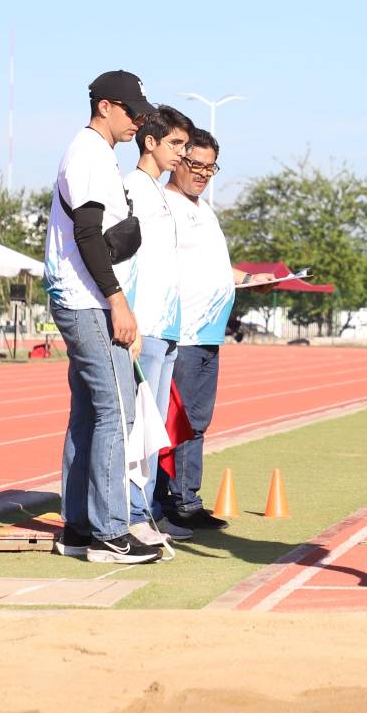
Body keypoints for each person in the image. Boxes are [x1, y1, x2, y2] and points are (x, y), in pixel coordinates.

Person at [45, 70, 163, 566]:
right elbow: (90, 237)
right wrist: (117, 300)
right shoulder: (90, 153)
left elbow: (96, 235)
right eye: (132, 111)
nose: (139, 121)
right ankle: (110, 535)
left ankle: (78, 528)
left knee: (90, 415)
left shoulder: (94, 155)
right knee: (116, 411)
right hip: (88, 300)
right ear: (106, 107)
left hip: (80, 295)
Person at [157, 128, 273, 528]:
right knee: (178, 419)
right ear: (179, 161)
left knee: (198, 420)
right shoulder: (163, 205)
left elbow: (216, 268)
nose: (204, 174)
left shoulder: (205, 210)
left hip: (208, 333)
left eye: (212, 167)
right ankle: (170, 503)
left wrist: (251, 279)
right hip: (181, 332)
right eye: (196, 165)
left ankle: (187, 498)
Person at [123, 104, 193, 548]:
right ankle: (131, 513)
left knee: (155, 429)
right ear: (150, 142)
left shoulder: (161, 195)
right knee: (137, 427)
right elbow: (124, 263)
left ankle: (146, 510)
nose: (181, 155)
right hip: (144, 326)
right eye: (176, 144)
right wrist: (129, 320)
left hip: (169, 328)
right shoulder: (130, 188)